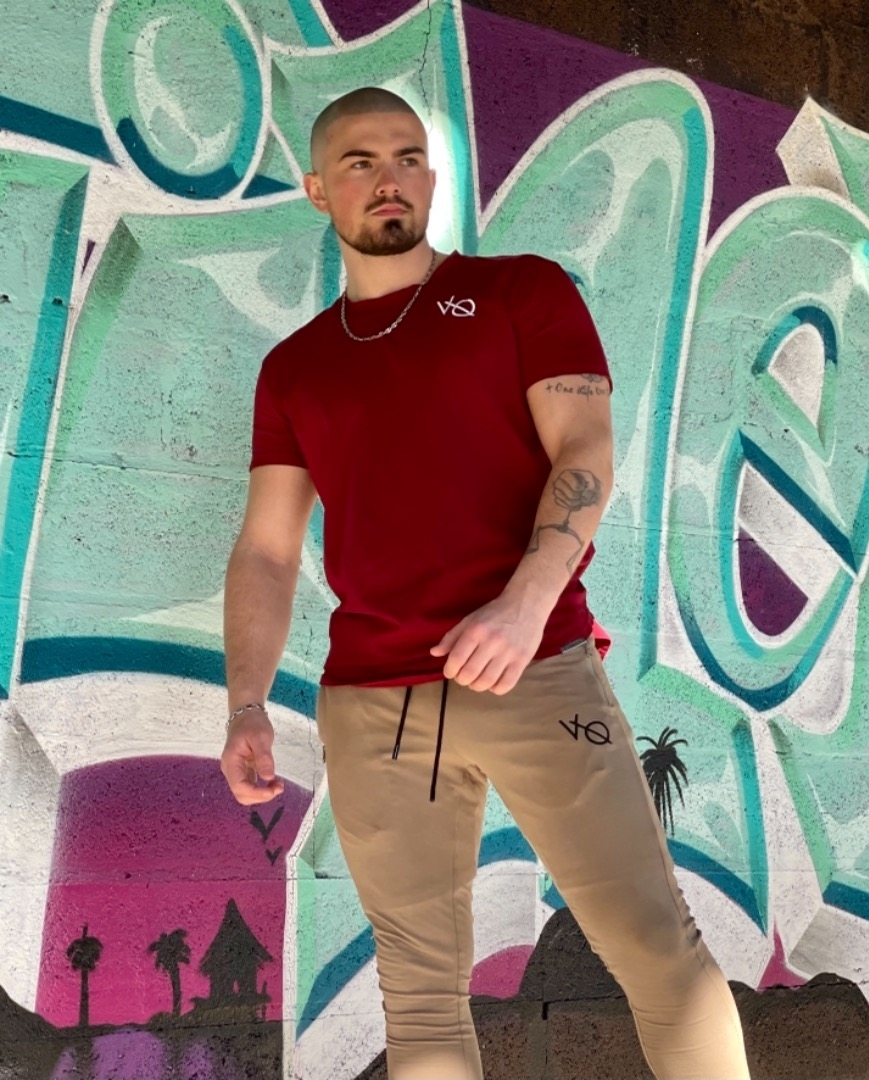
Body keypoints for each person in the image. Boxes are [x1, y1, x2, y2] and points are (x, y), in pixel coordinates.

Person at [220, 86, 750, 1080]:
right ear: (318, 190)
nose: (389, 178)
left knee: (655, 949)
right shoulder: (294, 369)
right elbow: (266, 550)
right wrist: (245, 701)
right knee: (417, 996)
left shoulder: (517, 294)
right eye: (360, 161)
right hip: (374, 702)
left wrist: (525, 601)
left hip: (534, 668)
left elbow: (584, 449)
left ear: (429, 176)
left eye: (407, 156)